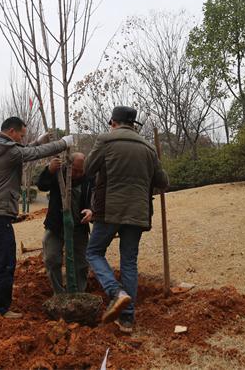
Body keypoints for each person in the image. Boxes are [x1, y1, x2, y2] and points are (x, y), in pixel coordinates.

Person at [0, 117, 74, 318]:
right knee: (4, 262)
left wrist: (38, 140)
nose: (22, 138)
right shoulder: (9, 150)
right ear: (12, 131)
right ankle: (1, 308)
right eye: (21, 134)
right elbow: (30, 153)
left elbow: (23, 151)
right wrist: (64, 143)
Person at [84, 106, 168, 334]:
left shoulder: (106, 140)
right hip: (138, 212)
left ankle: (115, 292)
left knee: (93, 252)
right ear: (134, 124)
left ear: (113, 122)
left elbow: (88, 169)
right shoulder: (148, 147)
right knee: (129, 262)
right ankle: (127, 320)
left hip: (109, 209)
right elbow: (163, 181)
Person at [36, 152, 93, 294]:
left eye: (81, 171)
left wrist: (91, 211)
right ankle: (59, 294)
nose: (78, 174)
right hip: (56, 225)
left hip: (79, 227)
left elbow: (95, 198)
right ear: (69, 165)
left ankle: (78, 293)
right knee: (51, 258)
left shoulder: (88, 178)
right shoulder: (59, 174)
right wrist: (49, 169)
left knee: (81, 263)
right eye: (75, 170)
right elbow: (41, 185)